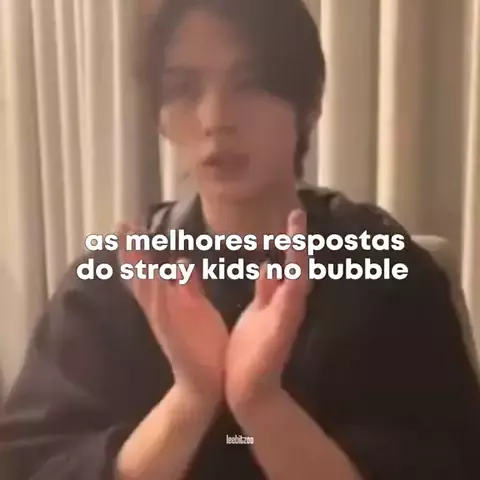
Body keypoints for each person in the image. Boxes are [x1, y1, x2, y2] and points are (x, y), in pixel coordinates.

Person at [1, 0, 480, 479]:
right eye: (183, 88)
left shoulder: (388, 277)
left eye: (250, 83)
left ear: (309, 102)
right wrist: (190, 399)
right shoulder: (111, 286)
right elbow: (33, 464)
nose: (215, 118)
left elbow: (444, 460)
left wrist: (261, 404)